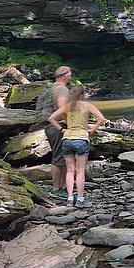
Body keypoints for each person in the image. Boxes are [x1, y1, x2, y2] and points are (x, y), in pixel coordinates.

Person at [46, 84, 104, 207]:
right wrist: (91, 131)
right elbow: (101, 118)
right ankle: (80, 199)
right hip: (81, 140)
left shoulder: (67, 107)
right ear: (82, 95)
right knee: (81, 171)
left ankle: (69, 198)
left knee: (70, 171)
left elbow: (51, 118)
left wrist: (61, 130)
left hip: (67, 139)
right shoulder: (87, 106)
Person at [45, 66, 72, 196]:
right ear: (66, 76)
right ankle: (56, 189)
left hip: (50, 126)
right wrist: (69, 123)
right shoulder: (62, 89)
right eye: (70, 74)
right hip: (58, 126)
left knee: (63, 157)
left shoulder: (52, 87)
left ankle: (63, 187)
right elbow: (62, 107)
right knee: (58, 158)